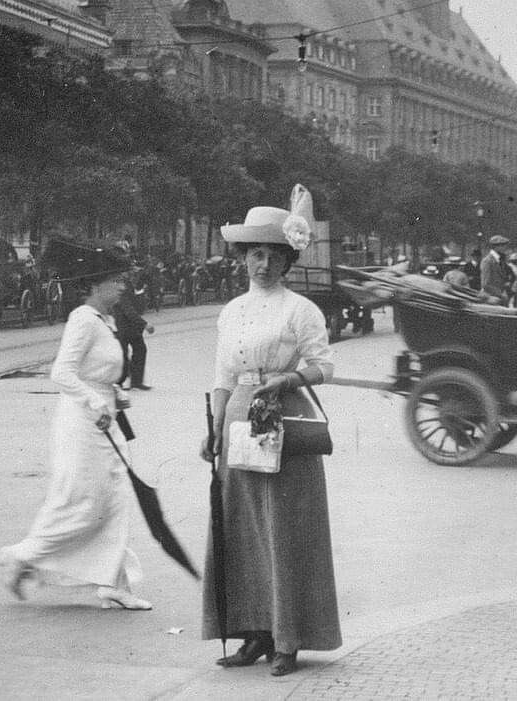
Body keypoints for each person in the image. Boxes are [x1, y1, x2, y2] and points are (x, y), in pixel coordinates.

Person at [199, 187, 342, 677]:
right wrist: (215, 431)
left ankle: (289, 638)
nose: (263, 264)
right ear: (242, 259)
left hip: (282, 413)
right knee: (241, 528)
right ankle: (253, 634)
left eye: (273, 256)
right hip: (240, 415)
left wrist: (288, 378)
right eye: (255, 254)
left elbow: (323, 364)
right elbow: (221, 377)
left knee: (283, 529)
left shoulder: (299, 309)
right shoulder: (231, 311)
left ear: (287, 261)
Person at [0, 244, 151, 610]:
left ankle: (116, 583)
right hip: (83, 422)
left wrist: (112, 391)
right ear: (96, 286)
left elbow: (96, 369)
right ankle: (24, 555)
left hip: (104, 419)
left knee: (113, 500)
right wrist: (96, 400)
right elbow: (61, 372)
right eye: (116, 281)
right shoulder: (83, 318)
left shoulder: (105, 321)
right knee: (83, 503)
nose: (123, 287)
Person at [113, 276, 154, 391]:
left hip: (132, 327)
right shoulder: (121, 287)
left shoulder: (132, 285)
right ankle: (120, 382)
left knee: (140, 350)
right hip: (122, 327)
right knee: (123, 356)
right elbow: (128, 310)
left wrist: (140, 292)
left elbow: (140, 308)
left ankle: (136, 381)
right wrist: (144, 324)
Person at [480, 235, 510, 305]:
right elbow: (485, 284)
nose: (505, 248)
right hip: (491, 299)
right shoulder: (487, 261)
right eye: (503, 245)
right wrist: (501, 294)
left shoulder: (500, 260)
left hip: (499, 299)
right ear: (496, 247)